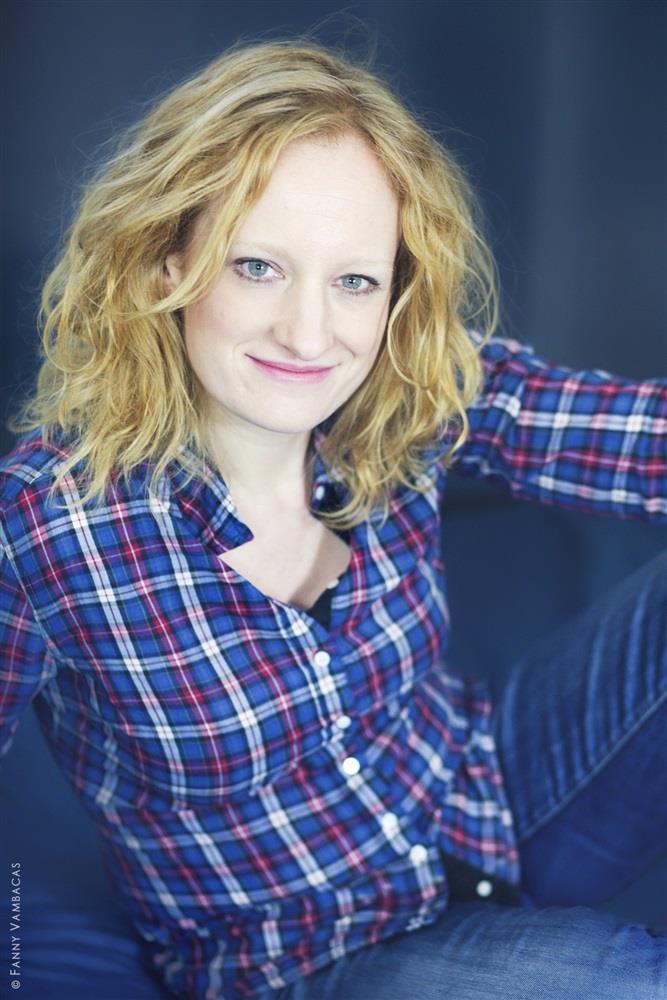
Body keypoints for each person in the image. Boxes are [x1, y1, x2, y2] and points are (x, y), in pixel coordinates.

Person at [0, 35, 665, 1000]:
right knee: (626, 984)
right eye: (256, 267)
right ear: (163, 263)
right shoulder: (44, 523)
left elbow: (636, 437)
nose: (309, 334)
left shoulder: (404, 386)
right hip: (299, 958)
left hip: (482, 798)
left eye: (353, 280)